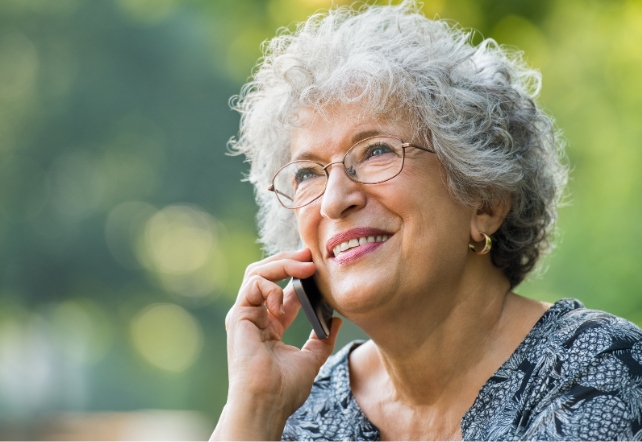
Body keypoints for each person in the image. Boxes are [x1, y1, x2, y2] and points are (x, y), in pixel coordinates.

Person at [212, 1, 642, 440]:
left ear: (485, 200)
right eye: (307, 173)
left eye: (376, 151)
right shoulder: (302, 411)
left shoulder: (596, 366)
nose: (334, 201)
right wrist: (254, 408)